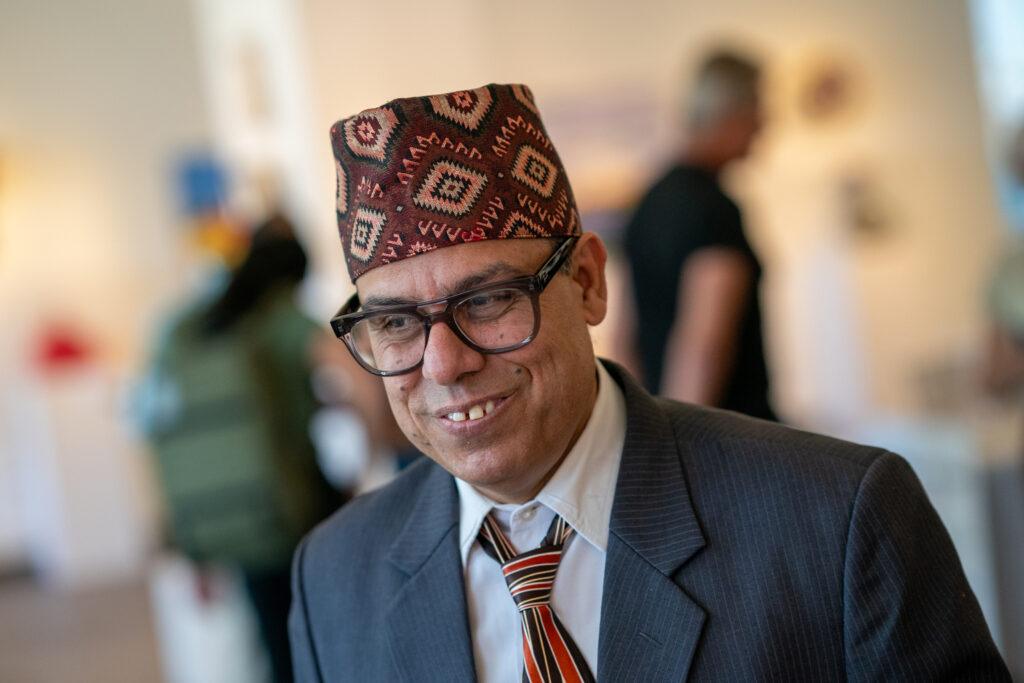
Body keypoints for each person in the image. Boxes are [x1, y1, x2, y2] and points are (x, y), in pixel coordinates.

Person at [289, 84, 1009, 681]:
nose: (444, 364)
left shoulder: (835, 522)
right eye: (396, 324)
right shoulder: (335, 577)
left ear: (589, 283)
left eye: (488, 300)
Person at [142, 213, 341, 683]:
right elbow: (354, 377)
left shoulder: (199, 323)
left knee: (275, 639)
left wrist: (189, 539)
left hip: (241, 504)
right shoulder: (286, 317)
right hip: (298, 501)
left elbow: (166, 429)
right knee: (323, 633)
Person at [622, 50, 774, 420]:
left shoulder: (649, 199)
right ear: (731, 112)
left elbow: (626, 338)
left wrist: (647, 428)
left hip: (665, 415)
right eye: (758, 107)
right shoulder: (713, 209)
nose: (765, 123)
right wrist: (683, 444)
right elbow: (704, 345)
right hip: (730, 436)